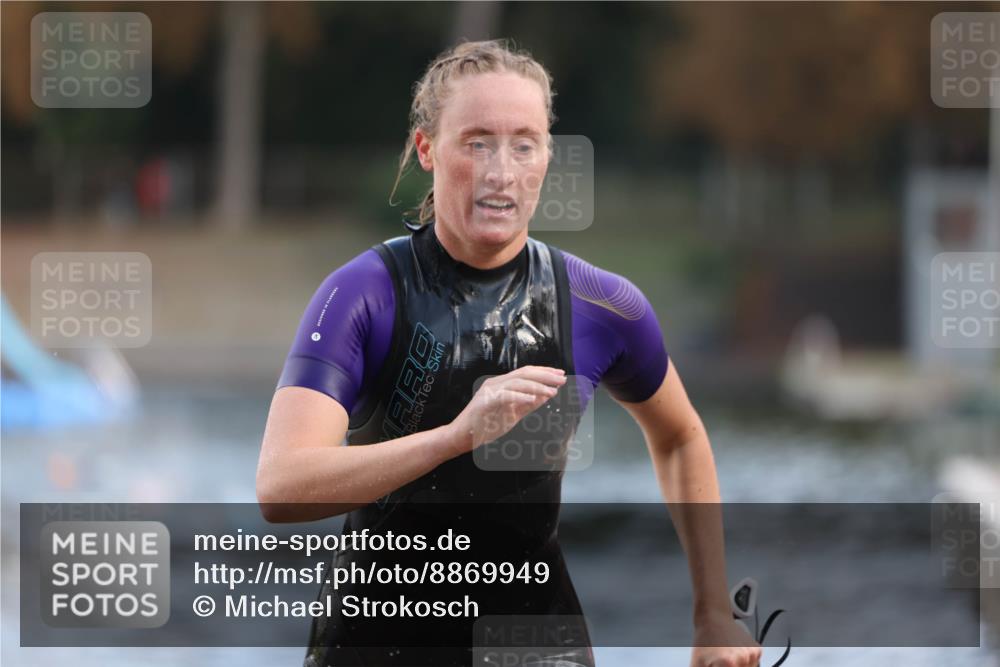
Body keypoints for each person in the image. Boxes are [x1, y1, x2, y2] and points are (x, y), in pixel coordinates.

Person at [256, 39, 761, 667]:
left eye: (524, 143)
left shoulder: (604, 306)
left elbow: (681, 436)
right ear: (426, 150)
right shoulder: (364, 294)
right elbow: (282, 486)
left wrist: (713, 612)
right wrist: (455, 437)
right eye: (476, 143)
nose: (501, 172)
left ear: (548, 156)